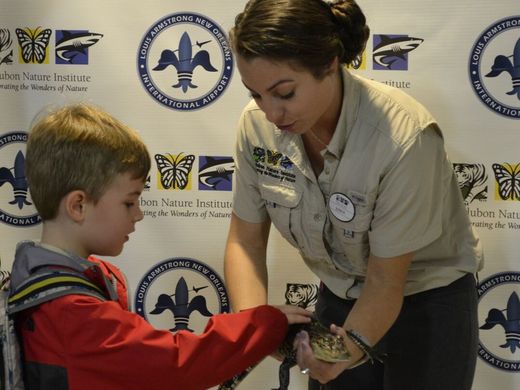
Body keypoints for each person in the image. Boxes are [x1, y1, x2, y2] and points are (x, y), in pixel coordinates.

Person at [224, 0, 484, 389]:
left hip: (427, 304)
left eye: (285, 93)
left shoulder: (404, 138)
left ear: (330, 63)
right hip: (339, 296)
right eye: (257, 94)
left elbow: (384, 281)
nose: (271, 113)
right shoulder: (255, 126)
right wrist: (257, 325)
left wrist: (348, 350)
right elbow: (245, 242)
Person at [9, 103, 312, 390]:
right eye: (129, 202)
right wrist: (263, 325)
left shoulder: (42, 283)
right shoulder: (71, 312)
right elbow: (175, 364)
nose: (138, 214)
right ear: (78, 205)